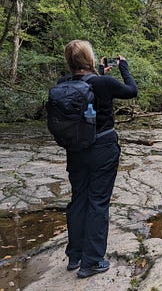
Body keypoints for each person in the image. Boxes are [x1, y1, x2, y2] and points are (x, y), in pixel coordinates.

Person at [61, 40, 138, 278]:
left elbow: (88, 89)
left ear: (70, 61)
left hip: (75, 149)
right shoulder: (104, 83)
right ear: (90, 59)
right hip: (103, 148)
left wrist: (101, 73)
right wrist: (124, 67)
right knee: (98, 202)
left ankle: (74, 256)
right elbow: (132, 90)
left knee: (79, 200)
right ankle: (91, 262)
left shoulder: (63, 84)